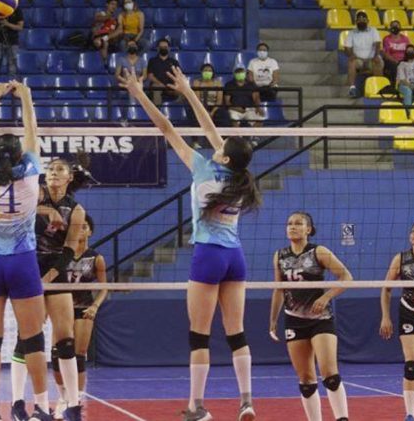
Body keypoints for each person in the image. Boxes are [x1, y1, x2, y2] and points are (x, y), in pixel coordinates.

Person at [121, 65, 262, 421]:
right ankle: (246, 401)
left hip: (208, 256)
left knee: (199, 336)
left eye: (223, 145)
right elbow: (213, 132)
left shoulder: (203, 166)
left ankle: (197, 407)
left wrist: (140, 95)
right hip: (235, 257)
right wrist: (188, 91)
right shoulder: (244, 178)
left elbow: (167, 129)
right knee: (237, 333)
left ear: (224, 156)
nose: (218, 141)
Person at [0, 81, 54, 421]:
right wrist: (26, 95)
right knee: (33, 339)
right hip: (22, 262)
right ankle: (41, 408)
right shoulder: (33, 171)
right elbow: (32, 128)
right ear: (21, 155)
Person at [10, 154, 93, 421]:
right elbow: (14, 209)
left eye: (59, 169)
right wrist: (48, 210)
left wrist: (51, 276)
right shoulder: (34, 194)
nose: (53, 172)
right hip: (26, 264)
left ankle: (71, 404)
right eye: (50, 169)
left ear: (69, 177)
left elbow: (70, 249)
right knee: (27, 338)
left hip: (55, 270)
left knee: (65, 340)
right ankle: (17, 403)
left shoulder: (77, 210)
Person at [269, 211, 353, 421]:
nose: (292, 227)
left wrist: (326, 297)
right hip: (293, 319)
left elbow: (346, 277)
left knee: (330, 375)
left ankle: (342, 418)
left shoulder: (319, 252)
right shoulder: (280, 255)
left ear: (309, 229)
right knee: (306, 380)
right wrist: (272, 320)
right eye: (289, 223)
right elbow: (279, 289)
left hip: (320, 320)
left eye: (298, 223)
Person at [51, 214, 107, 417]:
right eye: (78, 227)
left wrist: (95, 306)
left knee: (79, 355)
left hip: (83, 307)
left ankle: (77, 399)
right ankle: (62, 397)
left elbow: (104, 288)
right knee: (57, 353)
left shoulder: (96, 258)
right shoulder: (62, 255)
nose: (81, 230)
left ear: (90, 231)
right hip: (60, 307)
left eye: (85, 227)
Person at [380, 221, 414, 421]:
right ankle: (410, 414)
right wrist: (385, 316)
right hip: (410, 313)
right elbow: (386, 288)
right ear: (410, 237)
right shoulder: (400, 259)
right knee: (412, 364)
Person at [344, 11, 383, 98]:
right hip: (359, 60)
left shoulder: (373, 30)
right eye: (359, 20)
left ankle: (379, 88)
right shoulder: (352, 33)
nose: (361, 21)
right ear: (356, 21)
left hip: (371, 58)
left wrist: (376, 55)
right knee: (351, 62)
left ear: (367, 21)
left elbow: (377, 44)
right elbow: (347, 48)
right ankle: (352, 88)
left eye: (363, 20)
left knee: (378, 61)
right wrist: (351, 55)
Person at [225, 67, 265, 145]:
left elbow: (256, 98)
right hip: (235, 109)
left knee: (260, 118)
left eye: (241, 73)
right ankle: (239, 140)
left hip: (249, 109)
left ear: (245, 74)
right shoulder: (229, 85)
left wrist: (258, 107)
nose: (240, 75)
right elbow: (227, 102)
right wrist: (236, 108)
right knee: (234, 119)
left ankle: (252, 137)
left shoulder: (251, 84)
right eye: (238, 73)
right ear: (234, 75)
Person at [0, 7, 24, 77]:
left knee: (12, 65)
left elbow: (20, 27)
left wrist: (7, 24)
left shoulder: (17, 10)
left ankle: (11, 84)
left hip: (12, 42)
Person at [148, 38, 181, 104]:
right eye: (161, 47)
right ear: (158, 49)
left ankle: (177, 111)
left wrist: (174, 85)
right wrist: (160, 84)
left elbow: (178, 75)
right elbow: (150, 76)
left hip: (171, 86)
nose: (163, 48)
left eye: (165, 47)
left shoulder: (174, 62)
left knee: (183, 89)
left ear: (169, 48)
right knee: (156, 87)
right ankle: (157, 112)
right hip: (158, 85)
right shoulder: (152, 61)